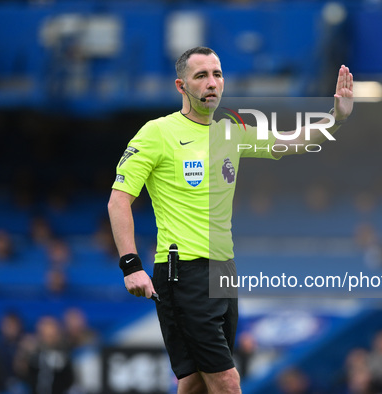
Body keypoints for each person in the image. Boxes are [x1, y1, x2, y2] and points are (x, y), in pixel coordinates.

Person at [108, 46, 353, 393]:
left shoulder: (231, 130)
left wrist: (336, 118)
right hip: (184, 272)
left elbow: (291, 142)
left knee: (194, 381)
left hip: (224, 271)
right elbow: (119, 201)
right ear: (181, 86)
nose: (212, 83)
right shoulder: (157, 133)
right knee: (226, 379)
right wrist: (131, 264)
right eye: (201, 76)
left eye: (217, 74)